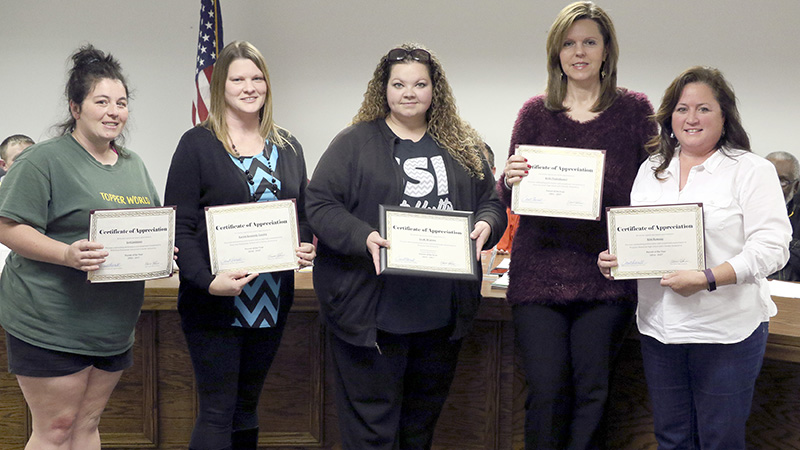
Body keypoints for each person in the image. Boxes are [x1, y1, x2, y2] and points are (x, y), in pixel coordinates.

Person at [306, 43, 506, 450]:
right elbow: (320, 204)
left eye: (419, 83)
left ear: (436, 89)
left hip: (440, 316)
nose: (409, 92)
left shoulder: (463, 143)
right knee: (373, 432)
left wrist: (488, 223)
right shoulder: (354, 143)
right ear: (384, 90)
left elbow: (491, 200)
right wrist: (362, 236)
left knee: (419, 429)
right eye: (398, 84)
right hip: (373, 315)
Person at [598, 66, 791, 449]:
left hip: (726, 332)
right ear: (670, 116)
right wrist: (616, 260)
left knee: (719, 440)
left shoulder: (751, 171)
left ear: (725, 116)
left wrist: (708, 277)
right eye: (682, 108)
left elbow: (772, 248)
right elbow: (639, 236)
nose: (691, 118)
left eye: (704, 109)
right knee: (670, 437)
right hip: (660, 328)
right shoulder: (651, 170)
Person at [498, 2, 655, 448]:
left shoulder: (634, 110)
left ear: (607, 51)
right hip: (539, 276)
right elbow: (512, 197)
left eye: (590, 42)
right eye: (569, 43)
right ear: (556, 53)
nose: (579, 52)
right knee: (546, 392)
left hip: (606, 274)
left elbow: (653, 191)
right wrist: (509, 179)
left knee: (593, 393)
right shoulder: (534, 112)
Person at [0, 45, 161, 449]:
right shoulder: (43, 160)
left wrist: (162, 254)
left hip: (111, 325)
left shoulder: (133, 164)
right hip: (50, 320)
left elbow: (150, 228)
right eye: (101, 101)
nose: (113, 111)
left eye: (121, 103)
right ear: (76, 107)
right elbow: (7, 225)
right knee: (55, 429)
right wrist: (66, 254)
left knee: (86, 425)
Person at [164, 40, 315, 450]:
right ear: (221, 87)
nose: (249, 86)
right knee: (217, 409)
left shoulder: (287, 145)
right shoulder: (196, 144)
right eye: (237, 79)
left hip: (271, 298)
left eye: (257, 77)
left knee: (247, 407)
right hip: (214, 299)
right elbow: (180, 225)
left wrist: (303, 245)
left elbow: (301, 214)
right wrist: (208, 281)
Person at [766, 151, 800, 281]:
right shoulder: (741, 210)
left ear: (796, 187)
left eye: (783, 182)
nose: (774, 186)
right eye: (769, 179)